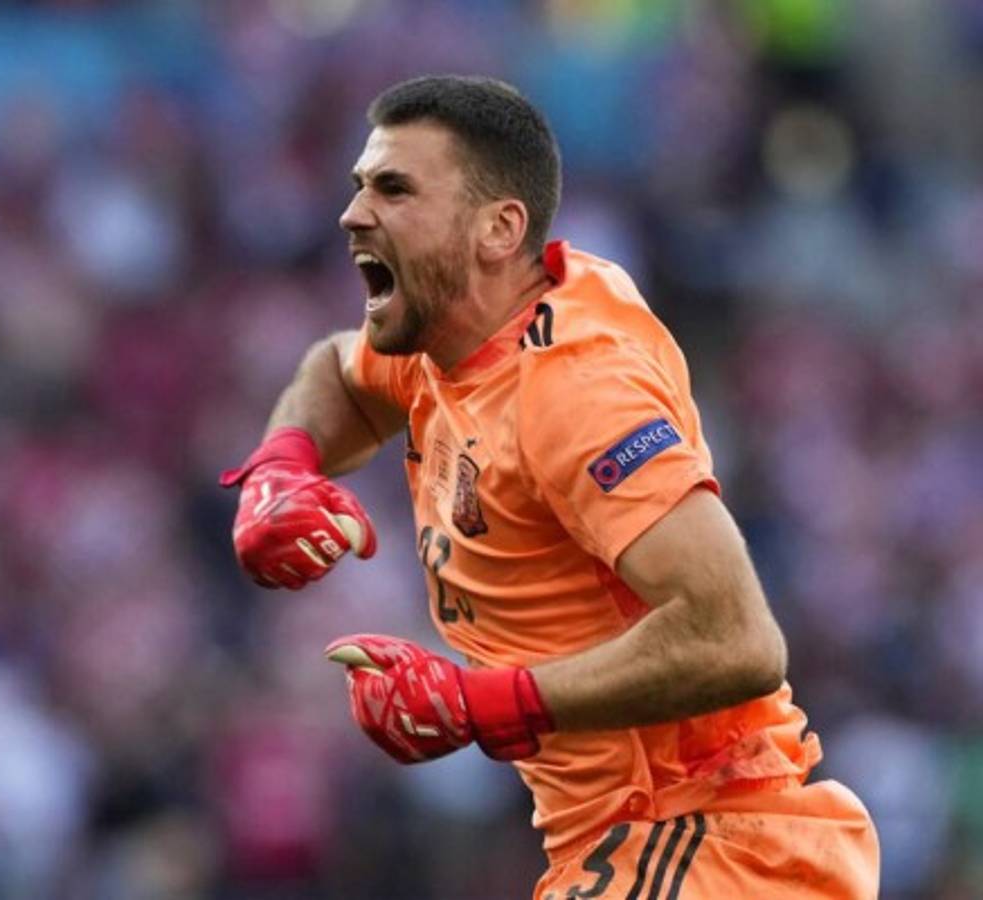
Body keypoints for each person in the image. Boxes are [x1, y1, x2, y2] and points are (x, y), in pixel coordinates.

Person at [220, 75, 880, 899]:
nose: (354, 213)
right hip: (626, 848)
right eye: (360, 186)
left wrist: (475, 704)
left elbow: (735, 640)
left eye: (394, 189)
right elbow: (336, 373)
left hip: (706, 833)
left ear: (498, 230)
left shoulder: (572, 391)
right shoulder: (447, 342)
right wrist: (283, 463)